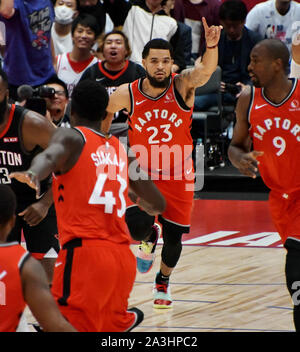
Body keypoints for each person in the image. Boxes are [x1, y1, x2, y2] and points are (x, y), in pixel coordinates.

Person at [10, 79, 166, 332]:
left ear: (72, 109)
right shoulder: (120, 149)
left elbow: (49, 155)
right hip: (121, 259)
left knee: (58, 326)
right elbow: (158, 203)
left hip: (85, 256)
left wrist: (33, 173)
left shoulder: (71, 136)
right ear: (106, 113)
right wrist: (134, 197)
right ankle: (123, 320)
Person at [105, 19, 222, 308]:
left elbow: (206, 70)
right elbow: (104, 116)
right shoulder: (126, 93)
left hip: (179, 171)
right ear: (143, 62)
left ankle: (163, 281)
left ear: (172, 63)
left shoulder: (182, 85)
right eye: (154, 61)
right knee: (136, 225)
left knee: (174, 238)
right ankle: (148, 235)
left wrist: (211, 46)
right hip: (142, 171)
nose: (160, 66)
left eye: (166, 61)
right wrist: (104, 143)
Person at [227, 38, 300, 331]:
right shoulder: (248, 98)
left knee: (296, 270)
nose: (249, 66)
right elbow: (235, 146)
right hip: (279, 198)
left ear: (277, 64)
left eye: (256, 60)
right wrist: (239, 159)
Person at [0, 68, 60, 284]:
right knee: (4, 278)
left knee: (47, 277)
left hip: (37, 199)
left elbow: (71, 162)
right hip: (3, 203)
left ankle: (48, 317)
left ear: (6, 94)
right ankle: (12, 318)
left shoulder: (31, 124)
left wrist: (45, 203)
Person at [0, 185, 76, 332]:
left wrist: (45, 203)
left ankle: (50, 317)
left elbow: (60, 174)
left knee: (47, 267)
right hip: (4, 198)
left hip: (40, 198)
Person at [194, 0, 263, 111]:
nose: (231, 30)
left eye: (235, 26)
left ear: (243, 21)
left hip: (246, 90)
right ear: (221, 22)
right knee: (193, 103)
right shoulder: (214, 40)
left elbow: (261, 71)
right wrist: (212, 81)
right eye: (228, 26)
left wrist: (249, 87)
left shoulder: (255, 41)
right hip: (218, 91)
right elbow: (202, 63)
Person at [80, 30, 146, 127]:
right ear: (102, 49)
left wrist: (138, 112)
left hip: (129, 129)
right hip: (98, 128)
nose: (113, 46)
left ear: (126, 50)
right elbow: (79, 101)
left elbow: (149, 99)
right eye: (109, 42)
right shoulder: (92, 73)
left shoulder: (137, 71)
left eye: (118, 42)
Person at [0, 0, 57, 102]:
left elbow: (47, 33)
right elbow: (6, 12)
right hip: (18, 80)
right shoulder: (15, 4)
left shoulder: (46, 1)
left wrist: (54, 62)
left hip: (46, 74)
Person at [122, 0, 179, 68]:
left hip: (156, 69)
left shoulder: (171, 23)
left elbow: (177, 56)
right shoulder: (131, 10)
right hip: (130, 67)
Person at [56, 13, 99, 97]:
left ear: (95, 39)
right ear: (72, 35)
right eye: (80, 31)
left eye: (89, 32)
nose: (84, 36)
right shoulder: (58, 62)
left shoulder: (99, 66)